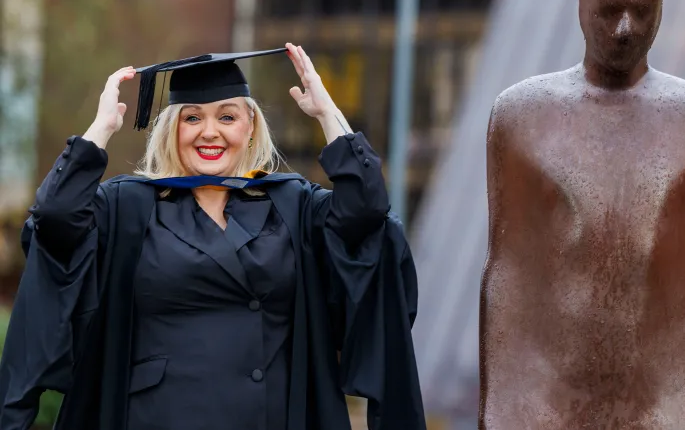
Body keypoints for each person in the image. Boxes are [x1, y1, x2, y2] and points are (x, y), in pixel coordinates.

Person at [0, 43, 426, 430]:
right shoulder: (127, 208)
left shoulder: (293, 206)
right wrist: (102, 129)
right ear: (172, 129)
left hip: (270, 416)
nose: (209, 132)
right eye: (192, 118)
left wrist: (327, 113)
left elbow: (367, 212)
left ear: (250, 127)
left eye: (227, 116)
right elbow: (55, 218)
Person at [479, 0, 685, 428]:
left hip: (655, 411)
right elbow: (508, 276)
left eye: (641, 14)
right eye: (610, 11)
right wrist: (500, 407)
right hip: (546, 408)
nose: (624, 29)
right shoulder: (522, 118)